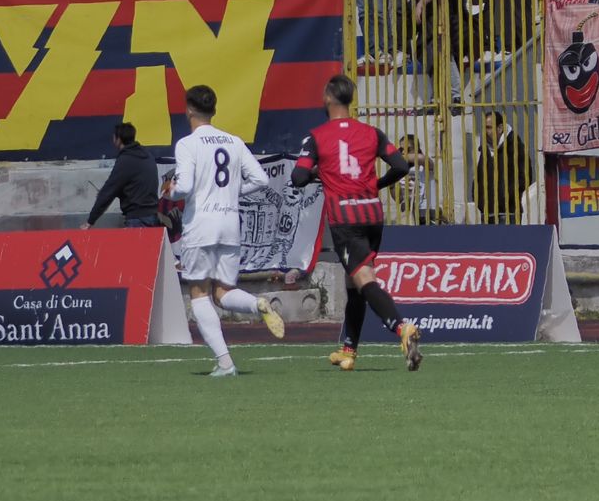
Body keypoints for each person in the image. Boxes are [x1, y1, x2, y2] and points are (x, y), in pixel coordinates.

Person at [291, 74, 423, 372]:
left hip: (345, 219)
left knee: (364, 281)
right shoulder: (371, 132)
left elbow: (298, 177)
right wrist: (376, 183)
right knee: (354, 284)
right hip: (373, 216)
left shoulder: (316, 136)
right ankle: (349, 350)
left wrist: (320, 173)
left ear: (327, 97)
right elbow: (401, 166)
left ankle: (402, 329)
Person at [171, 83, 288, 377]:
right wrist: (234, 193)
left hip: (200, 225)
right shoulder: (233, 142)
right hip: (229, 224)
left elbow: (183, 187)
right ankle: (258, 303)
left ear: (188, 110)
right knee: (223, 292)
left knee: (199, 293)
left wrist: (170, 190)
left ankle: (225, 362)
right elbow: (260, 179)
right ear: (214, 110)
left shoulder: (187, 144)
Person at [86, 122, 164, 229]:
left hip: (137, 219)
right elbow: (136, 186)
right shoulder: (147, 155)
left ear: (118, 140)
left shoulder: (125, 160)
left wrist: (90, 221)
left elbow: (108, 192)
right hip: (152, 216)